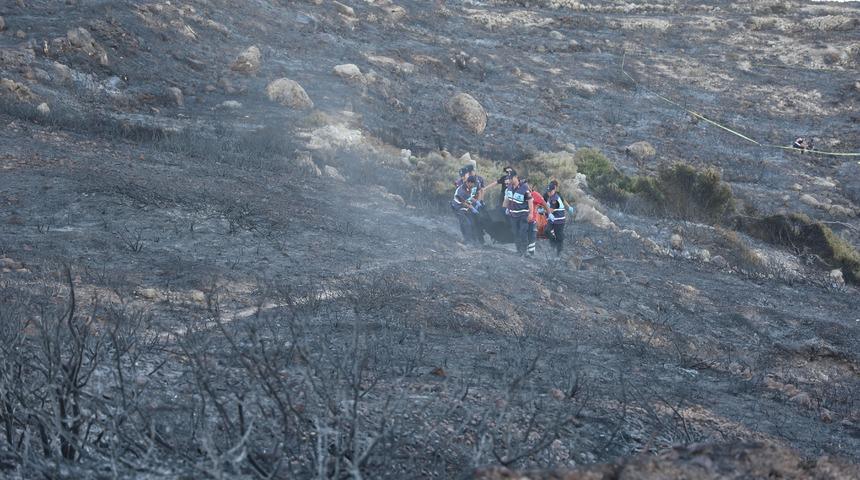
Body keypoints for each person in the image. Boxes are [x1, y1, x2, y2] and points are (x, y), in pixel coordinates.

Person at [503, 170, 534, 256]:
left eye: (511, 178)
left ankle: (524, 251)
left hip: (523, 214)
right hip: (513, 215)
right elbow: (508, 199)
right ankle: (519, 250)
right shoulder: (509, 187)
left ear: (516, 177)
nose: (510, 180)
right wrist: (506, 208)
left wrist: (531, 213)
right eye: (509, 178)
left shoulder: (524, 187)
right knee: (515, 233)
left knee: (522, 232)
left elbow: (530, 200)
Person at [451, 175, 481, 245]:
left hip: (464, 208)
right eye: (473, 183)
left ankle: (473, 239)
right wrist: (472, 208)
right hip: (457, 208)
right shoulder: (461, 190)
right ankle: (467, 241)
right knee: (466, 223)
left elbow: (470, 197)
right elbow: (464, 202)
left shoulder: (468, 187)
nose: (474, 185)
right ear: (469, 182)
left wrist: (477, 202)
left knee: (472, 222)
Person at [543, 181, 567, 256]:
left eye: (550, 191)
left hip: (559, 221)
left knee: (559, 236)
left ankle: (559, 252)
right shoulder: (551, 197)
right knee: (547, 231)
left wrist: (543, 211)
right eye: (548, 191)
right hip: (553, 219)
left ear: (554, 190)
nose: (549, 193)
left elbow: (550, 210)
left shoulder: (555, 199)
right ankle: (554, 243)